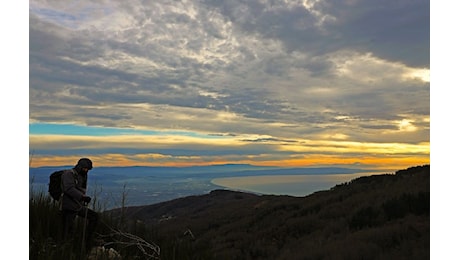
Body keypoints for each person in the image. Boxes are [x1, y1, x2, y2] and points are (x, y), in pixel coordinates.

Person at [60, 158, 99, 250]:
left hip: (77, 205)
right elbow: (68, 189)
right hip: (68, 206)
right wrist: (82, 197)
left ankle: (87, 240)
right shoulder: (69, 174)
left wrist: (83, 198)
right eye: (85, 169)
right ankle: (66, 250)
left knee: (94, 217)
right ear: (80, 167)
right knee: (68, 230)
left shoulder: (82, 175)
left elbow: (80, 189)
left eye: (88, 169)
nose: (86, 171)